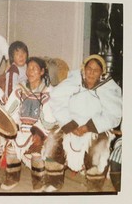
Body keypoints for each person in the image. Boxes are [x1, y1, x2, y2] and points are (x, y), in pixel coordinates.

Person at [42, 54, 122, 192]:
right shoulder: (73, 82)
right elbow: (57, 101)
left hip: (96, 127)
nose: (91, 72)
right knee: (52, 141)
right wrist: (70, 124)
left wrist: (88, 127)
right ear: (83, 69)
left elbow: (114, 115)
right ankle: (54, 182)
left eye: (96, 70)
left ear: (101, 72)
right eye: (88, 68)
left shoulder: (107, 88)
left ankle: (94, 187)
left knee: (99, 149)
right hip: (70, 122)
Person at [0, 57, 58, 191]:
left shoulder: (48, 91)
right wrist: (13, 127)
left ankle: (39, 181)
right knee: (11, 146)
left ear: (42, 71)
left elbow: (48, 119)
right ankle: (12, 177)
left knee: (37, 151)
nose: (30, 72)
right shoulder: (19, 89)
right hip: (21, 128)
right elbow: (10, 110)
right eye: (28, 68)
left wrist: (39, 133)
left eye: (34, 69)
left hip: (39, 130)